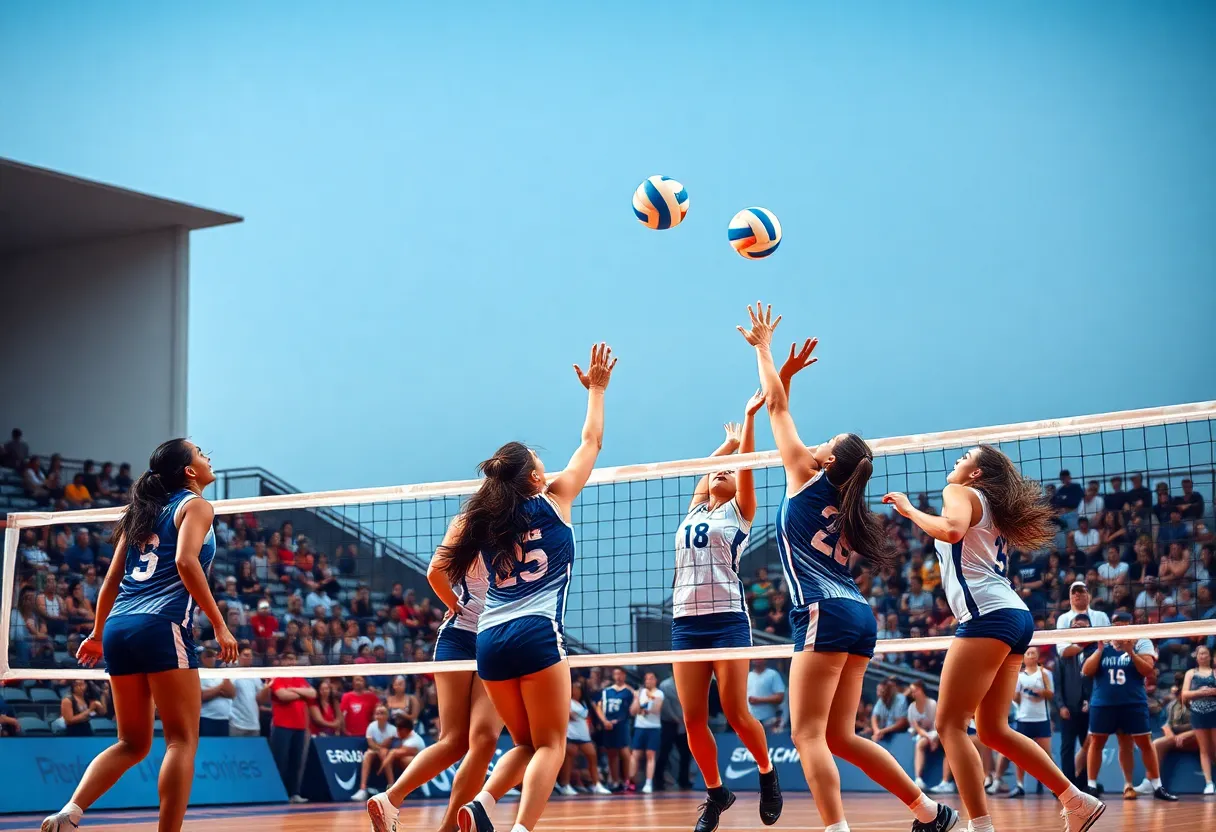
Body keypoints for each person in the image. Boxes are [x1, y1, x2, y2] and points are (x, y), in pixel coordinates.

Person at [736, 306, 954, 832]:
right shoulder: (842, 497)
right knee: (842, 737)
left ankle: (837, 829)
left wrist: (763, 349)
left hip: (822, 611)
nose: (818, 442)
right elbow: (781, 404)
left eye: (827, 443)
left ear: (828, 461)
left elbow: (778, 410)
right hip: (857, 613)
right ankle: (931, 812)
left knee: (807, 736)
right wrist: (781, 378)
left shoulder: (803, 477)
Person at [885, 442, 1104, 832]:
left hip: (988, 616)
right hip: (1014, 617)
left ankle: (980, 827)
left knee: (950, 725)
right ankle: (1076, 798)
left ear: (977, 473)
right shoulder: (991, 509)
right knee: (992, 730)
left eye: (965, 457)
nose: (957, 460)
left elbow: (951, 531)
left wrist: (909, 510)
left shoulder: (959, 493)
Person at [450, 343, 615, 832]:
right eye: (540, 461)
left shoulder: (485, 519)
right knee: (551, 745)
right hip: (536, 630)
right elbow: (591, 443)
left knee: (524, 743)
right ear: (536, 477)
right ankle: (521, 829)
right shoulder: (557, 498)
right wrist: (598, 391)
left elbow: (447, 568)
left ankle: (481, 803)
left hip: (489, 636)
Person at [41, 440, 236, 832]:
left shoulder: (141, 512)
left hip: (119, 627)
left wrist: (97, 633)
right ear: (189, 472)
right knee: (181, 741)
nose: (208, 456)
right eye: (200, 452)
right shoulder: (196, 506)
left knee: (132, 743)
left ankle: (70, 812)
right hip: (161, 624)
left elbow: (112, 579)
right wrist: (219, 623)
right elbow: (184, 561)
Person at [671, 389, 783, 829]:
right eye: (716, 472)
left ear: (738, 483)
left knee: (736, 712)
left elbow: (745, 464)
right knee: (693, 719)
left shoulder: (740, 512)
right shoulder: (696, 507)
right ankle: (717, 793)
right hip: (685, 622)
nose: (720, 472)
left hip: (728, 621)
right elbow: (704, 470)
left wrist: (748, 424)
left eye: (728, 472)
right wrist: (725, 448)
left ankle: (767, 775)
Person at [367, 495, 502, 832]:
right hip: (489, 637)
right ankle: (437, 823)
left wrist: (456, 606)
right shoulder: (501, 525)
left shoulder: (468, 521)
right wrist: (456, 605)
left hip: (458, 635)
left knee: (459, 740)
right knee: (478, 740)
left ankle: (391, 800)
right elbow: (434, 572)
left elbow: (435, 574)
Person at [1081, 611, 1177, 802]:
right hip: (1104, 704)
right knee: (1096, 743)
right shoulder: (1104, 642)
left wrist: (1130, 652)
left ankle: (1155, 785)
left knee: (1142, 743)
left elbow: (1147, 670)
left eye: (1123, 623)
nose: (1119, 627)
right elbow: (1086, 670)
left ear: (1130, 624)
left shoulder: (1141, 641)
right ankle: (1091, 786)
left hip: (1132, 703)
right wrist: (1100, 651)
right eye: (1116, 623)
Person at [1053, 615, 1094, 788]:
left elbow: (1096, 681)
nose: (1078, 628)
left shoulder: (1095, 652)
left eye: (1082, 626)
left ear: (1089, 628)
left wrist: (1090, 701)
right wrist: (1061, 705)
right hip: (1068, 709)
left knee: (1088, 747)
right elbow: (1057, 686)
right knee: (1067, 748)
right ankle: (1067, 785)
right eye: (1075, 626)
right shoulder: (1063, 656)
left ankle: (1085, 785)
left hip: (1089, 709)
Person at [268, 653, 315, 803]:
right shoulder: (276, 677)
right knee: (280, 761)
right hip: (282, 726)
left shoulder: (299, 678)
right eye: (288, 659)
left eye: (293, 659)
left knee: (296, 762)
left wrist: (293, 691)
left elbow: (313, 693)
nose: (291, 661)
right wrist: (302, 694)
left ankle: (294, 793)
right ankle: (277, 793)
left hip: (300, 726)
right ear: (282, 661)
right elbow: (282, 696)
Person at [1010, 647, 1053, 797]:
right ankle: (1020, 785)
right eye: (1027, 653)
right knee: (1020, 754)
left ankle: (1054, 785)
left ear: (1038, 657)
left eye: (1033, 653)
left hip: (1041, 717)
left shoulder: (1045, 673)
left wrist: (1041, 693)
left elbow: (1051, 693)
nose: (1030, 655)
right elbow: (1015, 697)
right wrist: (1018, 694)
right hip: (1024, 718)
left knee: (1046, 755)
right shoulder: (1019, 676)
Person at [558, 678, 612, 795]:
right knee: (569, 760)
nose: (575, 691)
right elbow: (568, 716)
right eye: (573, 689)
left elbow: (583, 716)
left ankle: (596, 784)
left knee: (592, 755)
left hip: (584, 735)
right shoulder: (566, 701)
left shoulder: (583, 702)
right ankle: (565, 785)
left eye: (577, 689)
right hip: (571, 735)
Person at [1177, 645, 1216, 793]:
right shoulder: (1190, 673)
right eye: (1200, 654)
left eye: (1205, 653)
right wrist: (1200, 693)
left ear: (1210, 656)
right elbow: (1184, 695)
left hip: (1214, 712)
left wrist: (1212, 691)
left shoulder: (1214, 672)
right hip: (1198, 713)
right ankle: (1208, 783)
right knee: (1204, 748)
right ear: (1196, 656)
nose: (1203, 656)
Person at [598, 668, 636, 791]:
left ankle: (627, 780)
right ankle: (615, 781)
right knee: (611, 754)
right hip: (608, 725)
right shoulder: (607, 691)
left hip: (622, 725)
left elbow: (632, 711)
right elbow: (599, 706)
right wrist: (604, 721)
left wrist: (636, 696)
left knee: (625, 753)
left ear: (624, 675)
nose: (618, 676)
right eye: (615, 674)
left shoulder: (629, 691)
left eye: (620, 674)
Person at [353, 705, 399, 801]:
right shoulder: (371, 726)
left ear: (387, 716)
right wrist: (380, 748)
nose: (379, 715)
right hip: (375, 751)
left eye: (382, 713)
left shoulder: (393, 729)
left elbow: (392, 745)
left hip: (389, 753)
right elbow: (371, 744)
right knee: (367, 754)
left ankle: (392, 787)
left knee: (384, 753)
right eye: (377, 713)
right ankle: (362, 789)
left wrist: (382, 749)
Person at [630, 671, 665, 794]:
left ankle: (648, 783)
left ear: (656, 680)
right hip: (640, 727)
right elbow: (633, 711)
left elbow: (655, 709)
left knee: (650, 755)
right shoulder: (640, 693)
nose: (648, 681)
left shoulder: (659, 693)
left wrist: (648, 702)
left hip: (653, 728)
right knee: (635, 755)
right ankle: (631, 782)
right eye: (646, 678)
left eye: (651, 678)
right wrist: (636, 698)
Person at [906, 681, 940, 792]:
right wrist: (929, 738)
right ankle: (918, 779)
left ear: (922, 690)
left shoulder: (932, 704)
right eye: (912, 692)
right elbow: (916, 728)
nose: (913, 693)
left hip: (936, 733)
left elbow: (937, 726)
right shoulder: (911, 707)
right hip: (923, 736)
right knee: (920, 744)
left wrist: (933, 738)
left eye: (915, 690)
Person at [230, 646, 268, 737]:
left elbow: (261, 700)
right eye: (246, 655)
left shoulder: (255, 675)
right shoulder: (231, 674)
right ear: (238, 656)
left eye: (251, 656)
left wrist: (267, 686)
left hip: (254, 724)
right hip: (236, 723)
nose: (249, 658)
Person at [198, 647, 235, 737]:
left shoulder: (221, 674)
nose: (212, 659)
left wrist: (225, 674)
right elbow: (201, 696)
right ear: (203, 658)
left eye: (213, 656)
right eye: (209, 656)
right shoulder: (199, 674)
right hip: (207, 718)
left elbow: (231, 694)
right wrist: (220, 689)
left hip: (224, 719)